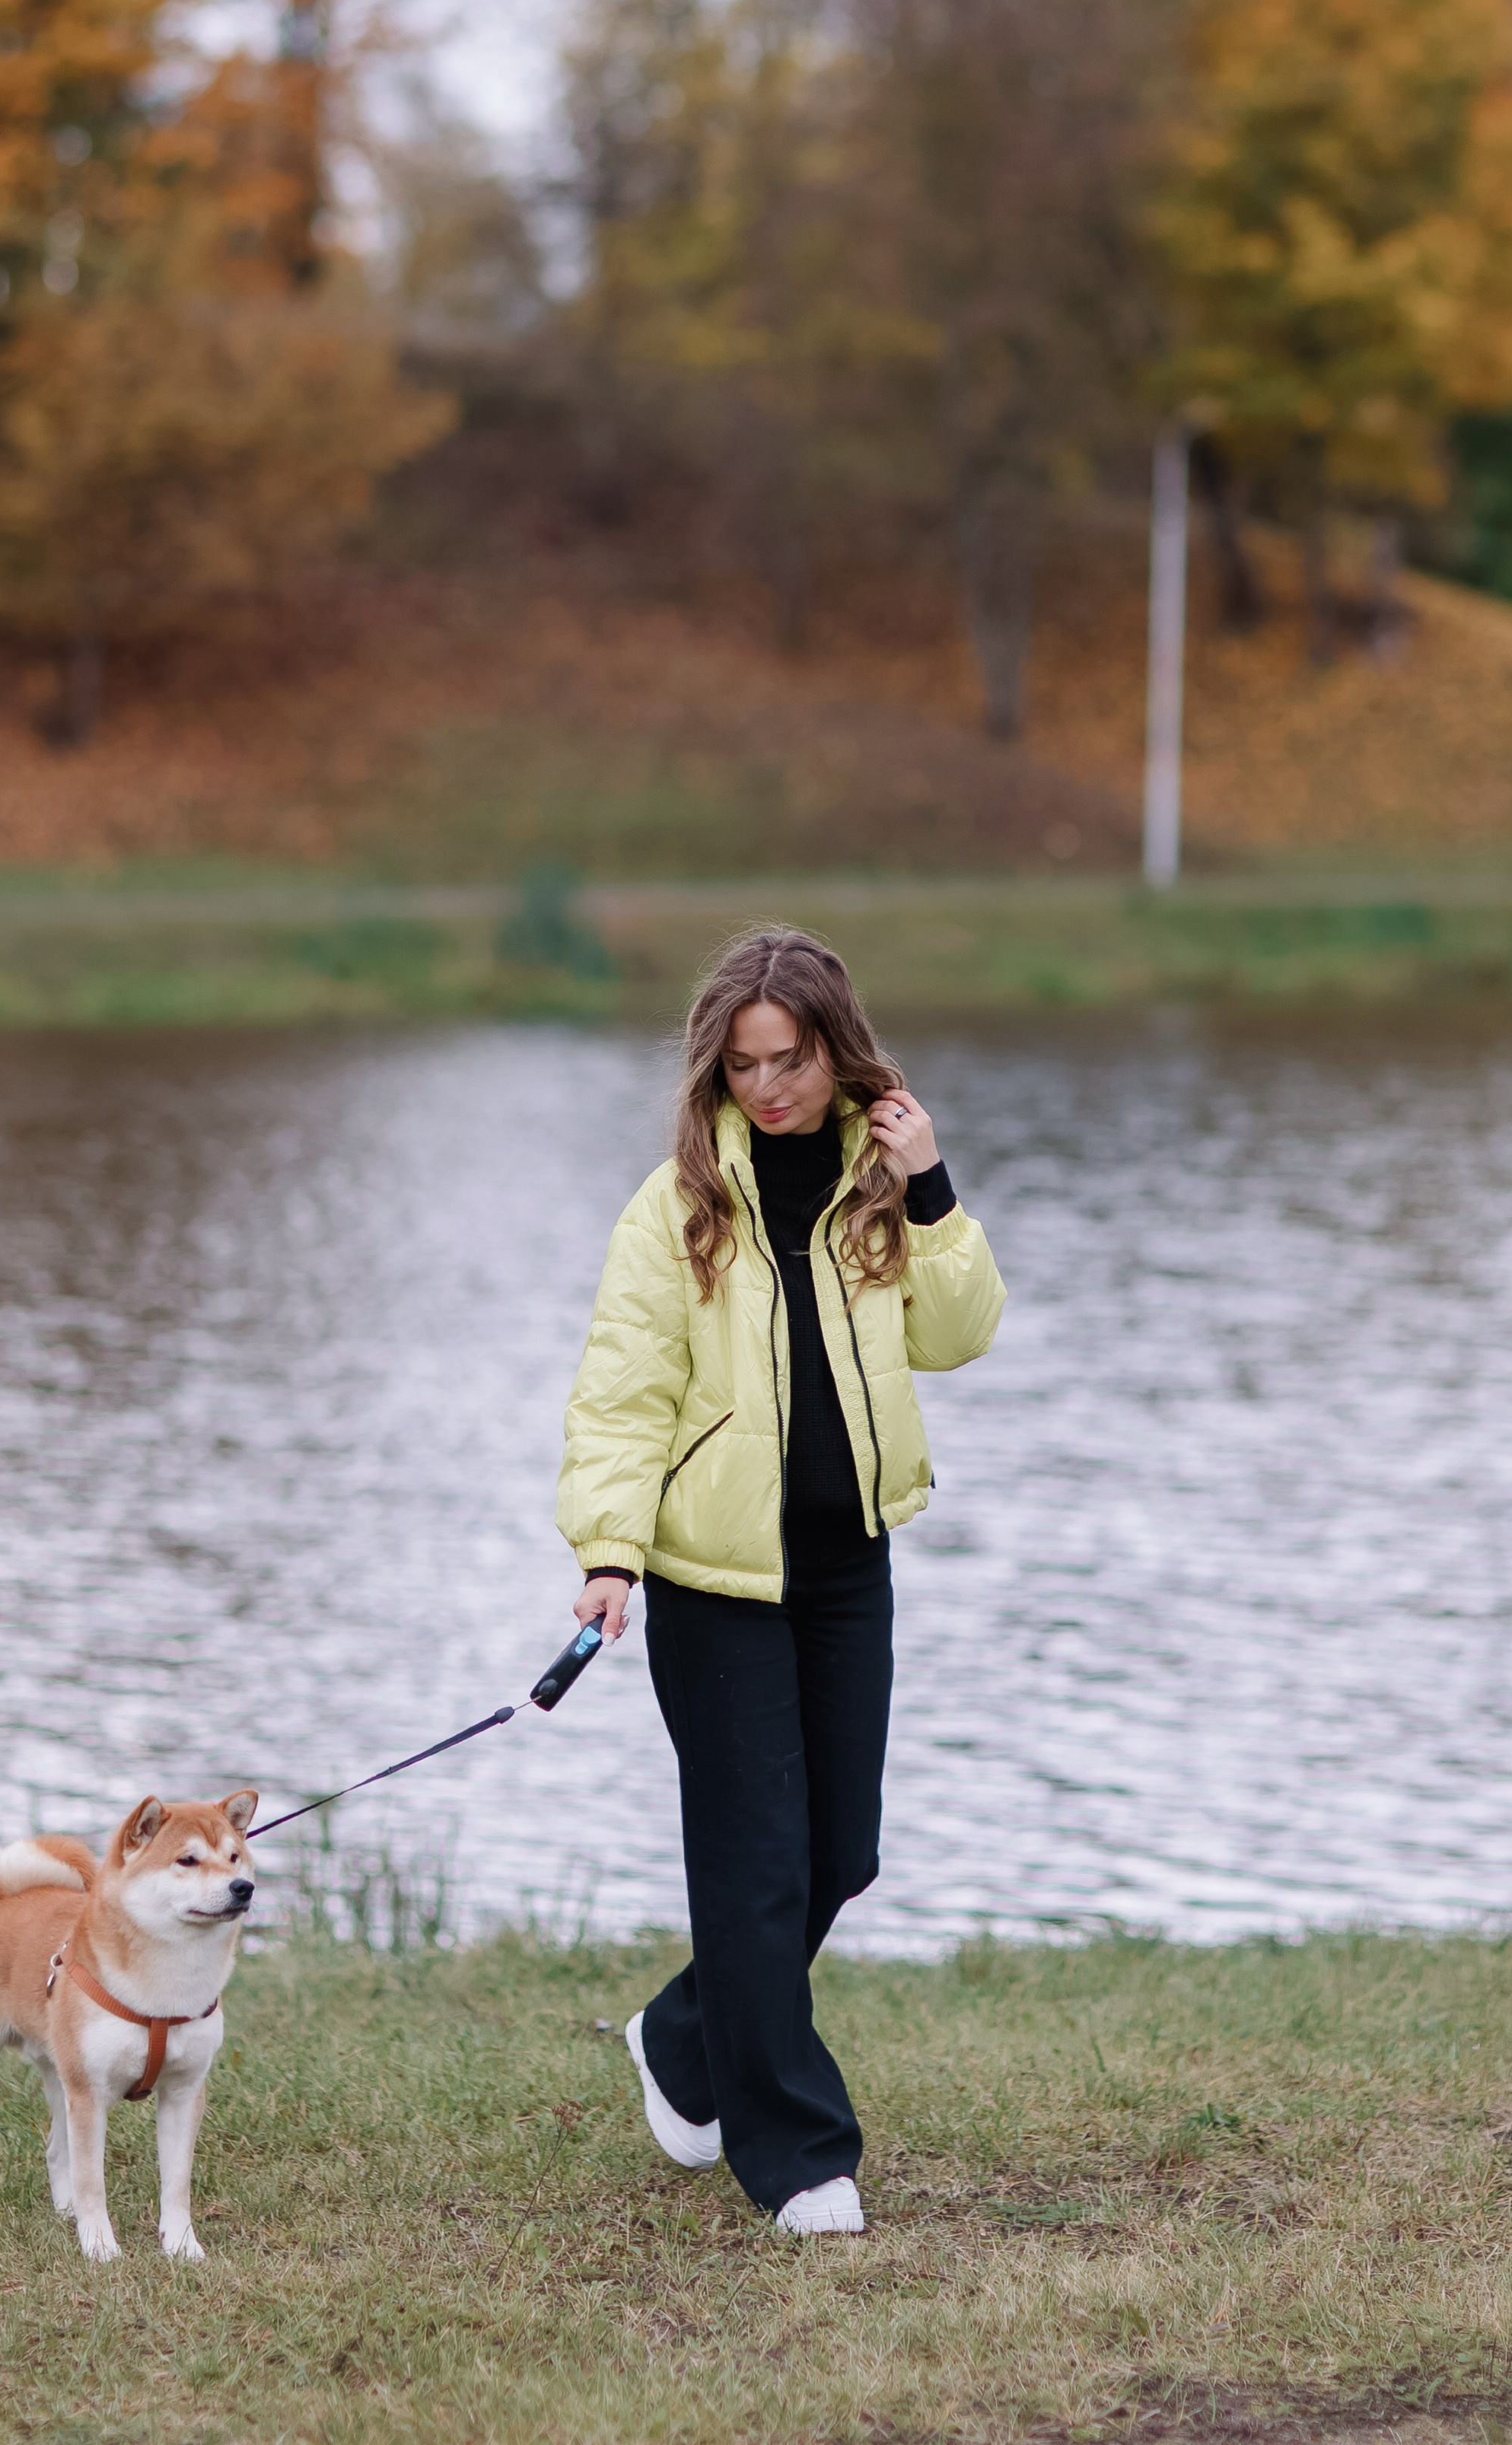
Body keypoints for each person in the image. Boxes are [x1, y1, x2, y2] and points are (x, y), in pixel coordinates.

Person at [558, 926, 1006, 2234]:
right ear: (718, 1068)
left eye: (791, 1060)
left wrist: (931, 1190)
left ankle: (684, 2040)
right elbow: (622, 1395)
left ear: (835, 1048)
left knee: (840, 1852)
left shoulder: (884, 1178)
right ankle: (801, 2153)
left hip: (845, 1566)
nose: (770, 1088)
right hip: (709, 1580)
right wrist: (607, 1551)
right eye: (744, 1065)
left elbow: (961, 1337)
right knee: (755, 1862)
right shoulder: (679, 1204)